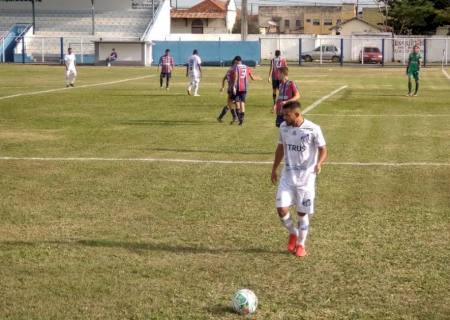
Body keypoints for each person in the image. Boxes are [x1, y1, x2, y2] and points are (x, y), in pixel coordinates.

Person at [271, 101, 328, 257]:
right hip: (288, 175)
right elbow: (280, 147)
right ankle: (294, 232)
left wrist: (319, 163)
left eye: (286, 114)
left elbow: (323, 149)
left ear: (297, 114)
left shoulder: (313, 129)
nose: (284, 117)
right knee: (281, 209)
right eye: (283, 114)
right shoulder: (283, 127)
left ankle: (301, 245)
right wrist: (274, 168)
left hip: (306, 178)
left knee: (302, 214)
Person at [232, 56, 260, 125]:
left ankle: (239, 118)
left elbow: (235, 77)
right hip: (244, 87)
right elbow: (252, 78)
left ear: (236, 61)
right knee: (242, 102)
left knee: (237, 102)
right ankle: (242, 118)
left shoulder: (236, 67)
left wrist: (233, 87)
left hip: (238, 87)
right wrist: (258, 78)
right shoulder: (246, 67)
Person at [217, 58, 238, 123]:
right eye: (237, 63)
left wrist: (222, 87)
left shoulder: (229, 70)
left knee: (230, 103)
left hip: (230, 89)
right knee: (233, 103)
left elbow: (224, 78)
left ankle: (220, 117)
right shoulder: (234, 70)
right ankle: (235, 117)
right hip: (234, 89)